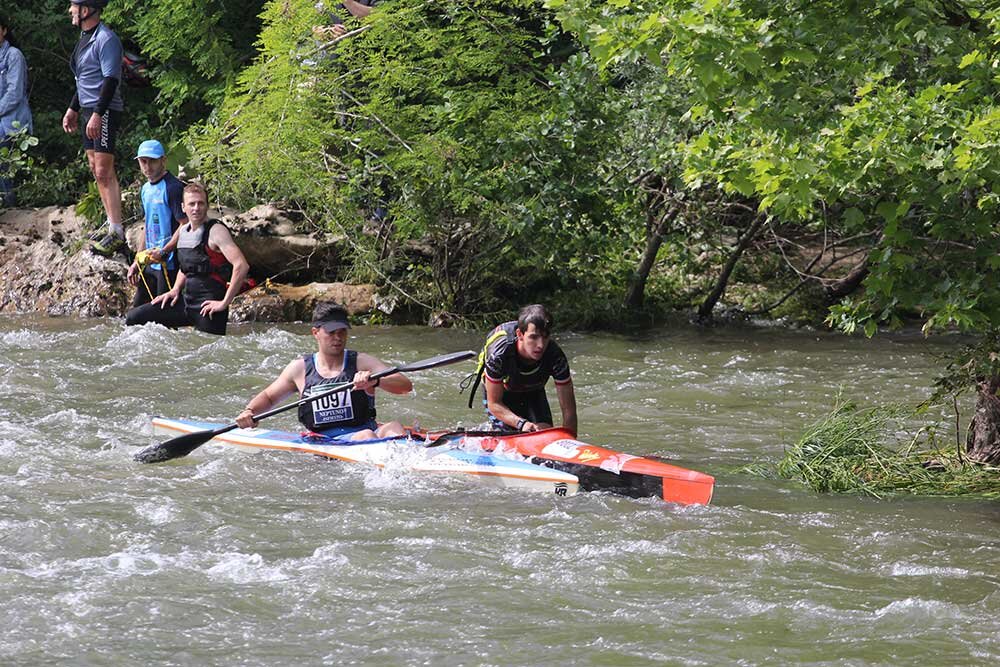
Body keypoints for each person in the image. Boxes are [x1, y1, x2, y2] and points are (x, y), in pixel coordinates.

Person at [235, 302, 413, 441]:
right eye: (331, 332)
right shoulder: (299, 369)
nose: (338, 338)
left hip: (367, 430)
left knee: (394, 427)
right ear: (315, 333)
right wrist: (250, 411)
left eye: (342, 332)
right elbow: (269, 397)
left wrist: (376, 381)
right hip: (325, 440)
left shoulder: (361, 362)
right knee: (365, 435)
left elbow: (405, 386)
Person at [124, 182, 249, 335]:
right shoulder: (183, 231)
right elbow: (186, 267)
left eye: (200, 203)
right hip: (185, 302)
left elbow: (241, 265)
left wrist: (224, 303)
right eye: (192, 204)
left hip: (209, 307)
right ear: (183, 207)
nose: (196, 208)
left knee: (208, 351)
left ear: (207, 206)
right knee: (134, 318)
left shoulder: (216, 231)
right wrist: (175, 289)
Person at [61, 0, 125, 256]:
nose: (70, 11)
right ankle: (110, 224)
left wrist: (98, 113)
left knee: (103, 169)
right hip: (88, 109)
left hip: (105, 109)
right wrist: (73, 108)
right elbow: (83, 79)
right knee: (94, 168)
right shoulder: (84, 37)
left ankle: (118, 231)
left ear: (85, 11)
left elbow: (110, 80)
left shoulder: (106, 39)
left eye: (73, 6)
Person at [469, 304, 578, 436]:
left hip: (533, 390)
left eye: (545, 337)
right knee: (511, 434)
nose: (540, 345)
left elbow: (569, 412)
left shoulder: (555, 356)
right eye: (533, 337)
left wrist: (570, 441)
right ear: (520, 334)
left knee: (544, 431)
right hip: (502, 393)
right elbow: (494, 404)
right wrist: (521, 424)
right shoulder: (499, 354)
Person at [126, 139, 186, 308]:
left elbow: (185, 224)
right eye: (143, 161)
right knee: (134, 316)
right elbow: (147, 224)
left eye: (152, 161)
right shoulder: (145, 189)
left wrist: (164, 251)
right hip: (150, 260)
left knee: (163, 317)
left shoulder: (173, 187)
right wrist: (138, 260)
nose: (147, 166)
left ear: (163, 160)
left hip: (169, 262)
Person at [0, 14, 32, 207]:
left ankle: (10, 207)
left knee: (5, 168)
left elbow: (15, 93)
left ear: (4, 30)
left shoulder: (13, 55)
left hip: (12, 122)